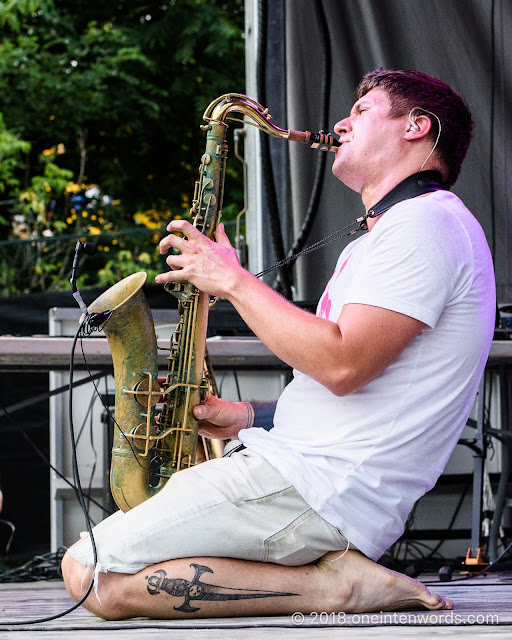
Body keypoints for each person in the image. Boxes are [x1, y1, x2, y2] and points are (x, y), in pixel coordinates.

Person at [62, 69, 495, 620]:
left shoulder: (426, 225)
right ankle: (328, 577)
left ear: (417, 126)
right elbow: (366, 396)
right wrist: (245, 415)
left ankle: (336, 589)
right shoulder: (401, 231)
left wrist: (233, 281)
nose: (342, 121)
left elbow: (343, 364)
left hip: (315, 488)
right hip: (304, 478)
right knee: (93, 571)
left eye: (362, 110)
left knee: (89, 572)